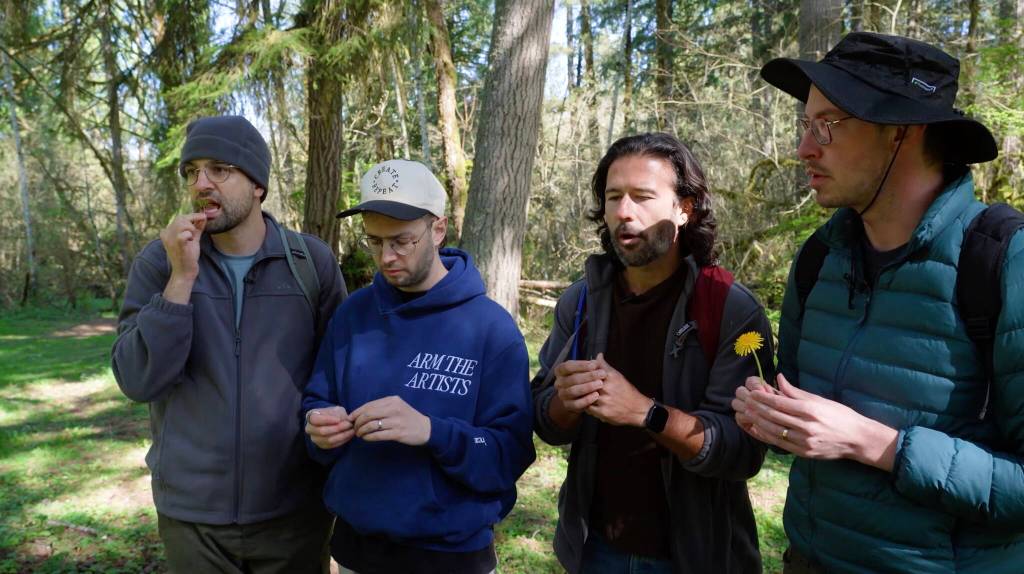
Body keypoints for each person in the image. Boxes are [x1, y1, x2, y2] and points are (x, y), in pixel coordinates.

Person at [733, 32, 1024, 573]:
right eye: (805, 125)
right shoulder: (820, 257)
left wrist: (877, 444)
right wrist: (774, 420)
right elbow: (807, 429)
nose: (803, 149)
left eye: (828, 125)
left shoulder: (1004, 261)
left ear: (900, 133)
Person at [112, 115, 346, 573]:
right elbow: (138, 380)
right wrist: (182, 278)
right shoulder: (160, 262)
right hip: (192, 518)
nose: (202, 183)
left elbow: (340, 375)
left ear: (257, 183)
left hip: (294, 511)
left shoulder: (309, 262)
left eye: (219, 169)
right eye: (191, 171)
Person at [532, 133, 773, 573]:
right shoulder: (582, 302)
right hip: (595, 549)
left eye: (643, 197)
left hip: (695, 556)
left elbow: (742, 452)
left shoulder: (730, 309)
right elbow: (547, 423)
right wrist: (564, 402)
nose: (624, 212)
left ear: (685, 208)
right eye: (613, 197)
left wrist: (646, 412)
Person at [301, 159, 536, 574]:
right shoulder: (353, 315)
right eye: (374, 241)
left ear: (438, 229)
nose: (386, 256)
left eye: (402, 241)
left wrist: (433, 432)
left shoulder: (491, 329)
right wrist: (318, 428)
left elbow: (509, 453)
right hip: (357, 550)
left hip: (451, 557)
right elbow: (316, 402)